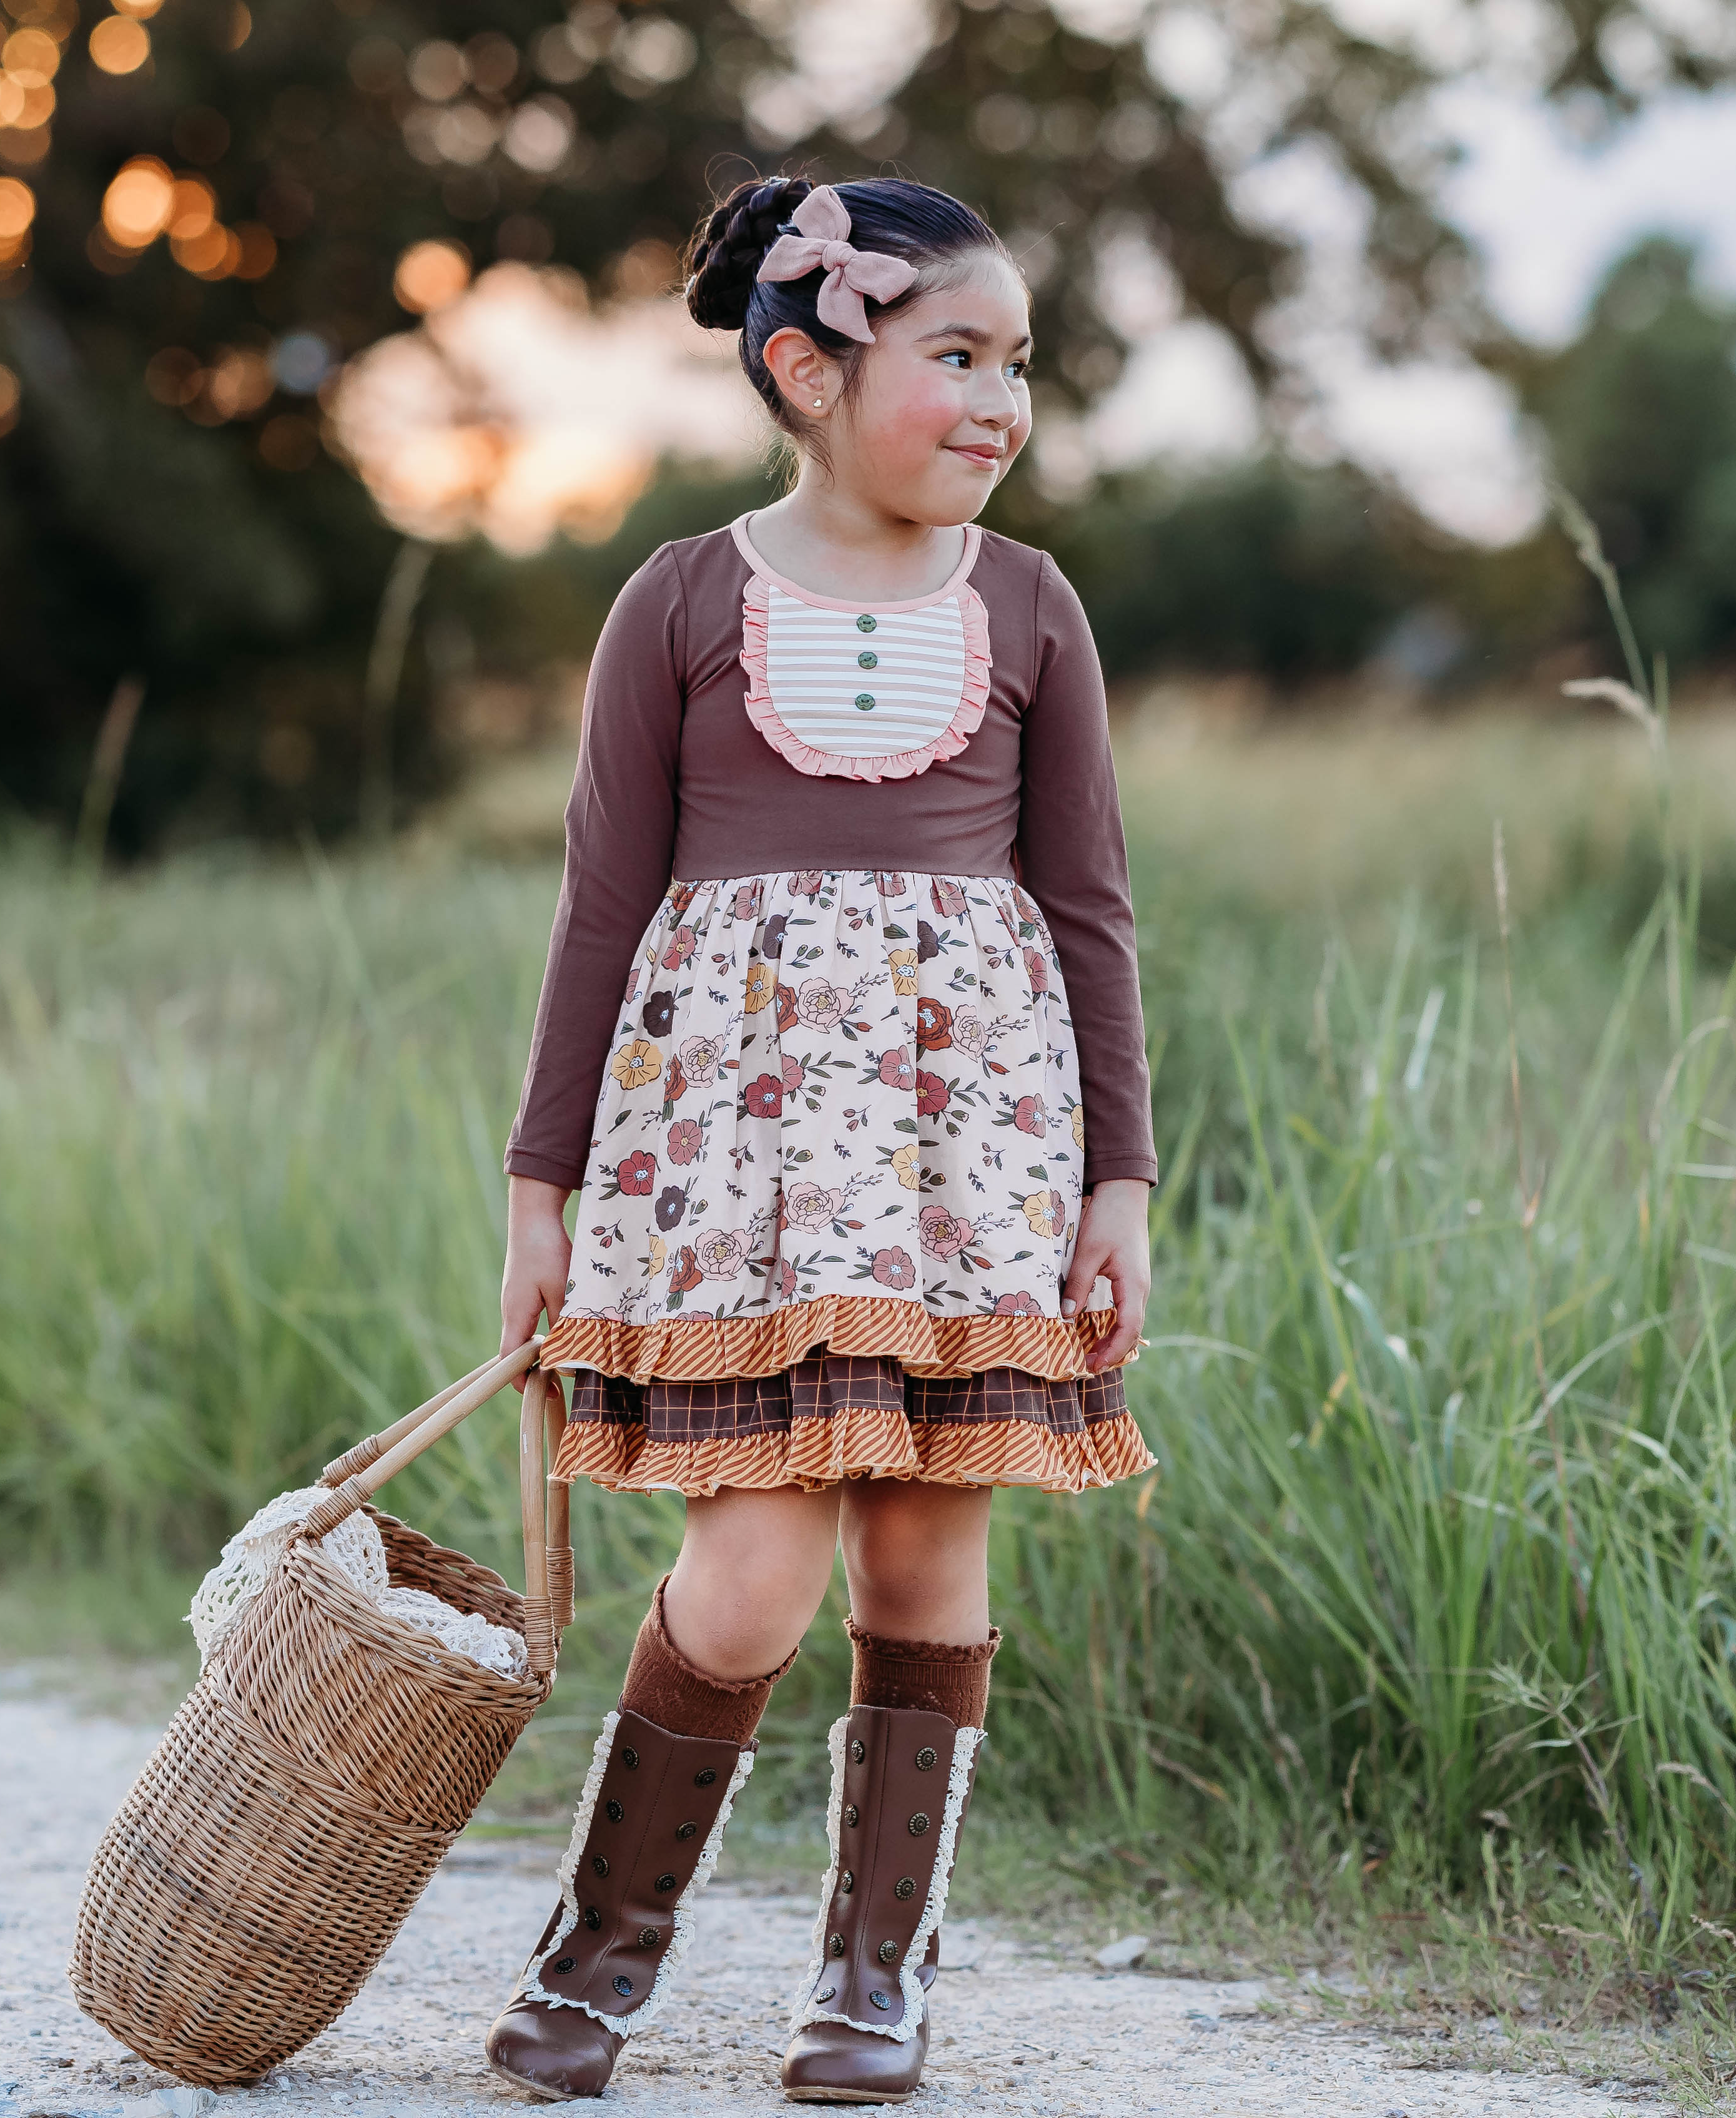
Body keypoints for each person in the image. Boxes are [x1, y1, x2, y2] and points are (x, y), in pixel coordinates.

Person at [485, 171, 1158, 2106]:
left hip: (974, 1167)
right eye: (953, 354)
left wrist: (1117, 1179)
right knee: (753, 1568)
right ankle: (601, 1954)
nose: (998, 400)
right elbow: (598, 911)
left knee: (925, 1558)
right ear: (805, 366)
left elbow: (1090, 905)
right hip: (736, 1178)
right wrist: (541, 1191)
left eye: (1016, 363)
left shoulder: (1029, 607)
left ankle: (875, 1977)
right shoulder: (681, 602)